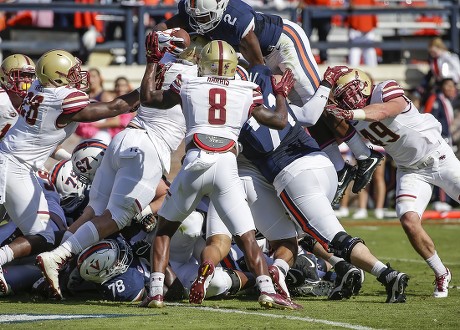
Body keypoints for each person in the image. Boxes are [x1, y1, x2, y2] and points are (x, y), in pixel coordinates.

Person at [154, 0, 385, 203]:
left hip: (283, 44)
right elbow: (168, 24)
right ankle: (339, 167)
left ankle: (365, 154)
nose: (199, 22)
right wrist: (156, 37)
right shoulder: (193, 7)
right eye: (196, 17)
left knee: (319, 103)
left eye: (204, 17)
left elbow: (256, 60)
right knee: (304, 114)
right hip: (259, 56)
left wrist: (262, 86)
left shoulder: (236, 15)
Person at [35, 35, 202, 301]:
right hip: (147, 148)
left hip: (122, 138)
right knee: (116, 218)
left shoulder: (162, 63)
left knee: (94, 209)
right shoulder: (196, 77)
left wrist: (156, 52)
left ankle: (57, 267)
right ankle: (58, 258)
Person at [138, 35, 297, 310]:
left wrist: (152, 62)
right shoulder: (247, 89)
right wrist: (281, 95)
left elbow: (149, 98)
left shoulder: (187, 82)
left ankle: (155, 292)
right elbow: (279, 120)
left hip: (195, 160)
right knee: (247, 236)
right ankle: (267, 290)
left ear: (203, 62)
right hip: (226, 164)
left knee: (164, 230)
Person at [0, 48, 139, 295]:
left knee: (43, 233)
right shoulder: (61, 98)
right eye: (72, 72)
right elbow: (114, 107)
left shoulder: (38, 89)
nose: (78, 75)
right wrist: (144, 93)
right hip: (14, 167)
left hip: (12, 163)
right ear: (57, 77)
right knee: (44, 235)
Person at [325, 67, 458, 298]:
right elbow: (331, 126)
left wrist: (351, 115)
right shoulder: (352, 116)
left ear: (364, 84)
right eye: (344, 95)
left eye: (351, 92)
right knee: (408, 220)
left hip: (439, 157)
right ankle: (441, 272)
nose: (349, 99)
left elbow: (385, 110)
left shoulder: (385, 89)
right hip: (410, 170)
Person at [0, 53, 35, 139]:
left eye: (30, 76)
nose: (27, 81)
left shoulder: (35, 103)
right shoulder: (2, 100)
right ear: (4, 78)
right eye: (21, 76)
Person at [347, 0, 378, 67]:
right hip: (359, 25)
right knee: (356, 54)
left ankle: (353, 73)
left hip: (361, 25)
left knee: (367, 54)